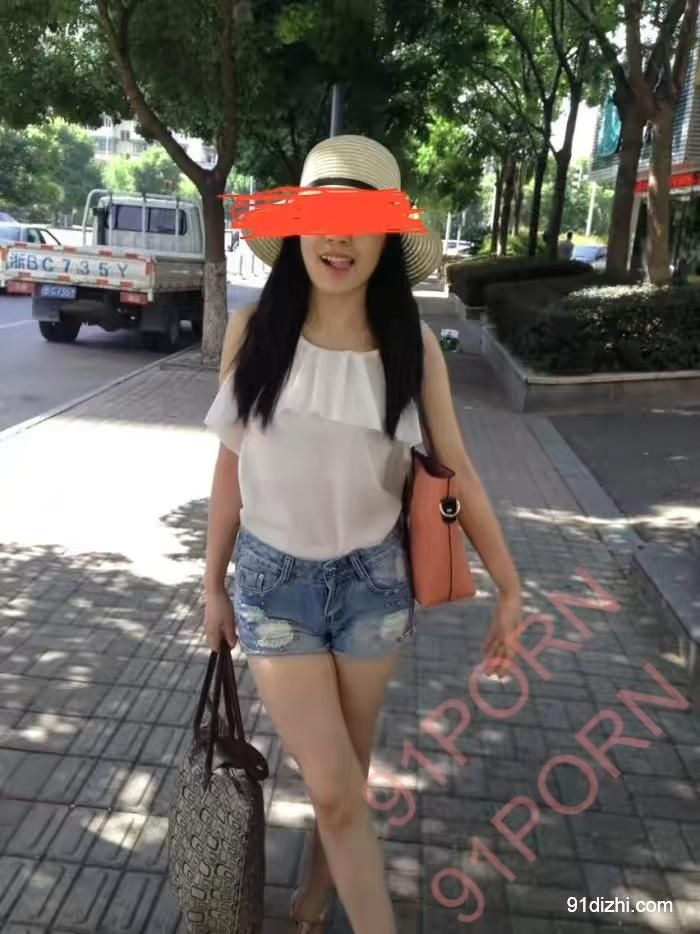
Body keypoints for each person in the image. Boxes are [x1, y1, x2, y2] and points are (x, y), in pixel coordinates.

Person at [202, 135, 522, 934]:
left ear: (385, 242)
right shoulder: (253, 332)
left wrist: (510, 585)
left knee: (343, 774)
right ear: (297, 228)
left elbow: (459, 472)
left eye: (361, 222)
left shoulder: (412, 349)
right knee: (338, 788)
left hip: (374, 589)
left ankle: (319, 889)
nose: (339, 237)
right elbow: (229, 470)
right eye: (323, 216)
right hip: (274, 590)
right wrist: (212, 585)